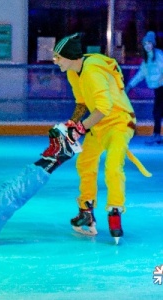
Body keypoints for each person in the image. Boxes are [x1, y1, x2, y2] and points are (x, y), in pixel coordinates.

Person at [41, 33, 151, 244]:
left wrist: (79, 129)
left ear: (70, 56)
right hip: (99, 125)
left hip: (119, 122)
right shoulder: (74, 72)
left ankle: (115, 211)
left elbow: (103, 107)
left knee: (113, 165)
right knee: (85, 163)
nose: (55, 62)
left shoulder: (91, 72)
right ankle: (86, 212)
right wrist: (71, 125)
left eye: (58, 58)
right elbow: (82, 103)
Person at [125, 31, 163, 145]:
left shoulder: (158, 55)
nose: (147, 46)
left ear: (153, 44)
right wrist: (130, 86)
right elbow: (140, 74)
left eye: (149, 43)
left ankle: (156, 135)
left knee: (157, 111)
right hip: (158, 88)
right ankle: (157, 135)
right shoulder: (147, 59)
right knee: (158, 111)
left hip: (161, 87)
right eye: (145, 43)